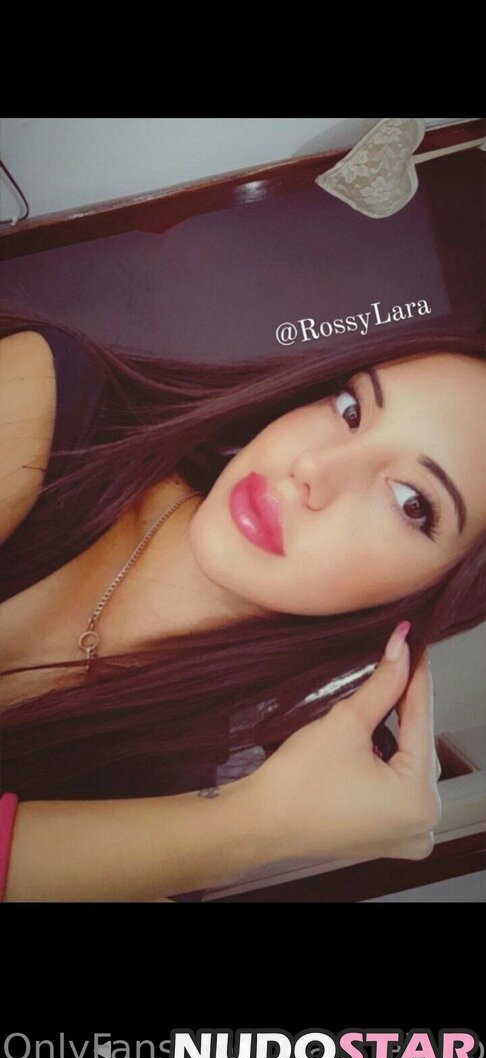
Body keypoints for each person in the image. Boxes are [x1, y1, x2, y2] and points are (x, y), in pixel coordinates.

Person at [0, 311, 485, 902]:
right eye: (351, 409)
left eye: (411, 502)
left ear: (431, 594)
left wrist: (259, 823)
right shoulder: (51, 407)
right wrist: (247, 828)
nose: (312, 468)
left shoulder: (178, 800)